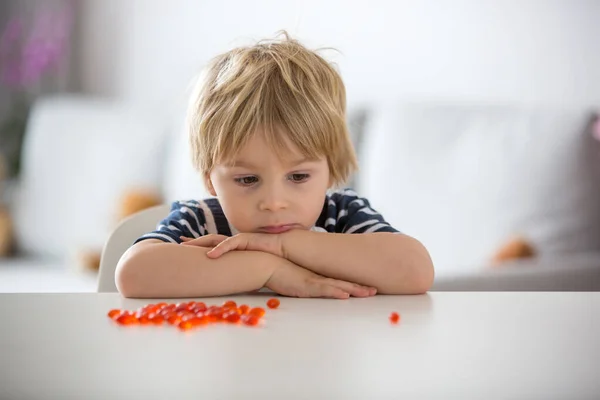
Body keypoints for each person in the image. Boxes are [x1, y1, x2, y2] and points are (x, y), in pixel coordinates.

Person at [115, 32, 434, 299]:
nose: (273, 202)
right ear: (211, 181)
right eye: (246, 179)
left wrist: (283, 245)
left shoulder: (341, 218)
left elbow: (416, 271)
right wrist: (269, 269)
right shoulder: (202, 222)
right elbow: (133, 274)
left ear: (331, 172)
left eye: (298, 176)